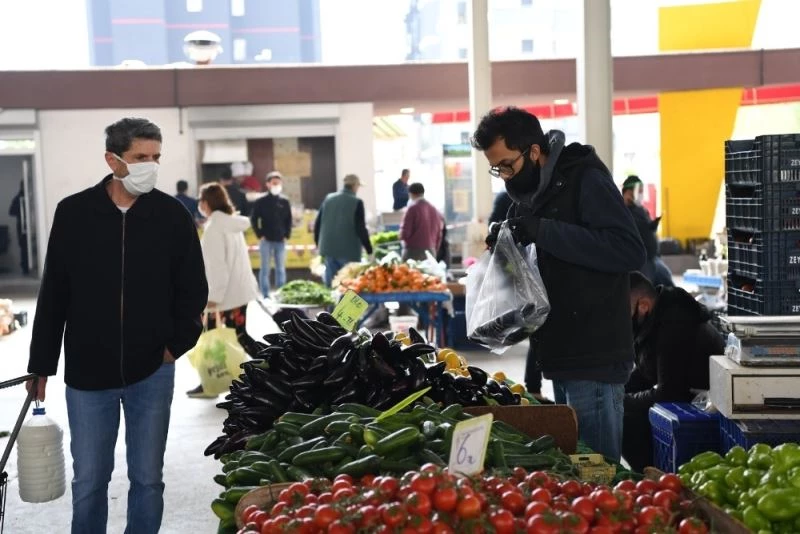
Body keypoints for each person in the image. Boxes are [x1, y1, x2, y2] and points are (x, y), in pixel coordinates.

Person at [26, 117, 208, 533]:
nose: (150, 165)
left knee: (148, 479)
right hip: (89, 373)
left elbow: (193, 290)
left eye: (156, 157)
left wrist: (173, 347)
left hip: (153, 371)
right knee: (89, 480)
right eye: (140, 157)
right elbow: (54, 291)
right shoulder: (74, 213)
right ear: (112, 159)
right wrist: (42, 364)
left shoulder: (172, 216)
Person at [474, 106, 645, 461]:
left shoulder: (584, 179)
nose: (504, 176)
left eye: (508, 164)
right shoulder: (535, 193)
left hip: (595, 356)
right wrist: (507, 244)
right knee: (579, 465)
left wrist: (543, 231)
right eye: (497, 168)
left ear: (534, 151)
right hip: (562, 353)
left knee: (597, 471)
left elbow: (627, 250)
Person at [623, 272, 725, 471]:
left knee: (626, 422)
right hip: (683, 393)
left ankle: (653, 478)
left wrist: (622, 401)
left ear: (643, 305)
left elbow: (669, 392)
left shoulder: (675, 322)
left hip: (701, 407)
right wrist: (620, 390)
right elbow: (647, 371)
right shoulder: (657, 316)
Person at [188, 183, 260, 398]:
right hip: (239, 292)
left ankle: (211, 383)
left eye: (201, 200)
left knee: (213, 338)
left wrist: (212, 297)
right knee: (239, 335)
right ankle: (269, 370)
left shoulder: (214, 229)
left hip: (223, 296)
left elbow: (218, 267)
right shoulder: (231, 224)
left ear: (206, 203)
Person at [314, 174, 373, 287]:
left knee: (332, 285)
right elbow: (361, 228)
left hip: (328, 248)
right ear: (355, 186)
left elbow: (318, 223)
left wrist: (319, 244)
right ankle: (346, 305)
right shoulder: (356, 202)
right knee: (349, 285)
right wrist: (369, 249)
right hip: (349, 250)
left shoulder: (329, 198)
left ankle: (333, 305)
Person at [251, 171, 292, 297]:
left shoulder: (284, 201)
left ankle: (281, 293)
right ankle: (265, 294)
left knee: (280, 269)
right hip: (266, 240)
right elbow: (254, 218)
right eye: (274, 183)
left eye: (278, 183)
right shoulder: (261, 201)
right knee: (265, 269)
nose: (276, 185)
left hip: (280, 240)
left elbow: (288, 220)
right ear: (268, 184)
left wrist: (287, 235)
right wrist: (259, 234)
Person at [399, 182, 443, 261]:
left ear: (411, 194)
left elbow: (405, 233)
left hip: (413, 253)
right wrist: (434, 249)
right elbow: (439, 233)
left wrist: (400, 236)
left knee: (409, 273)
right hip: (431, 252)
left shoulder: (412, 209)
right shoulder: (434, 209)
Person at [8, 180, 30, 274]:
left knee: (30, 247)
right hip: (22, 226)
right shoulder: (18, 198)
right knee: (24, 247)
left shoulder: (31, 196)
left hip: (31, 226)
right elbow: (11, 212)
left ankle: (29, 267)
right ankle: (25, 268)